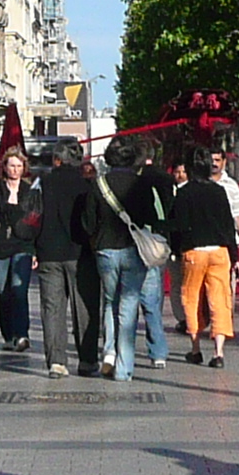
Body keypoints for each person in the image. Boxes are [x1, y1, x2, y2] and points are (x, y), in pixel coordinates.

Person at [31, 140, 102, 378]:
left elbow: (32, 216)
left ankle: (56, 362)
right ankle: (87, 360)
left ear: (56, 159)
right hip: (80, 254)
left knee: (52, 309)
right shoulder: (87, 185)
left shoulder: (43, 183)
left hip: (49, 253)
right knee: (84, 308)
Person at [90, 138, 155, 384]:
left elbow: (89, 220)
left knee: (109, 302)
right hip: (133, 250)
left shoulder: (100, 184)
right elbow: (151, 216)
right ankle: (124, 368)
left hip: (106, 250)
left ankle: (108, 352)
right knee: (128, 305)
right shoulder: (142, 185)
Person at [165, 151, 238, 366]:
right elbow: (228, 224)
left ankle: (195, 348)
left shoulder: (184, 193)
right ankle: (219, 352)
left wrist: (177, 250)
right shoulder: (219, 191)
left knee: (192, 297)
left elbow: (176, 226)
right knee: (219, 298)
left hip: (193, 251)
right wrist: (234, 255)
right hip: (219, 250)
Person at [107, 140, 174, 368]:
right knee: (151, 302)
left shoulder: (136, 181)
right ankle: (158, 352)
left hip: (125, 244)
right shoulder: (165, 179)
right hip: (153, 243)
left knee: (121, 301)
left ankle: (118, 351)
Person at [0, 146, 35, 360]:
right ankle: (9, 335)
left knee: (19, 290)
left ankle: (22, 334)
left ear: (24, 168)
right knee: (4, 292)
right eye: (11, 165)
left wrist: (36, 250)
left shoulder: (30, 191)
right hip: (0, 247)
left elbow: (36, 221)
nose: (15, 169)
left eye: (19, 166)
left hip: (23, 246)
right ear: (4, 167)